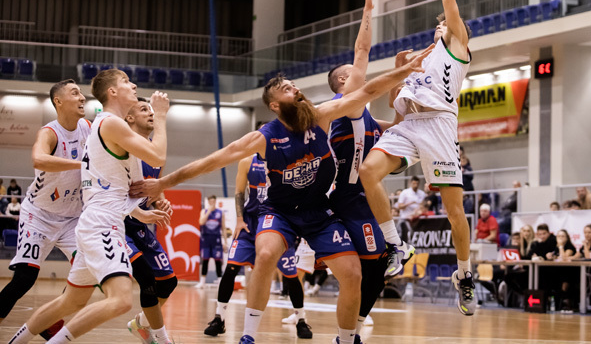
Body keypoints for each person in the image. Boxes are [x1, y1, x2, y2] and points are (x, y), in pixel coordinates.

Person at [131, 50, 431, 344]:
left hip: (319, 211)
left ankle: (346, 340)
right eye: (287, 89)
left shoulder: (320, 116)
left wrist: (405, 70)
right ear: (275, 105)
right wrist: (165, 182)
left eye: (294, 86)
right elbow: (211, 162)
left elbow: (368, 90)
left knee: (353, 274)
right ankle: (248, 336)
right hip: (280, 211)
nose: (296, 89)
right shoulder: (263, 137)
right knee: (265, 255)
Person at [358, 0, 478, 317]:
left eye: (444, 21)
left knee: (454, 212)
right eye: (439, 23)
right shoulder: (419, 59)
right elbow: (396, 107)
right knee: (368, 172)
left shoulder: (457, 45)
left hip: (440, 127)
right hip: (410, 125)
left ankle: (464, 274)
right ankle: (396, 244)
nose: (440, 23)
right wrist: (398, 73)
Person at [7, 69, 171, 344]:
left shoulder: (107, 126)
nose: (133, 85)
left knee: (70, 302)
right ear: (112, 92)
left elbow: (120, 188)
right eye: (126, 82)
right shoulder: (110, 123)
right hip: (99, 225)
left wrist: (139, 212)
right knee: (120, 300)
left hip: (93, 221)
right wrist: (162, 116)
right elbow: (158, 156)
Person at [325, 0, 406, 337]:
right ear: (344, 82)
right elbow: (362, 50)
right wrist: (368, 11)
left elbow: (401, 127)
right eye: (353, 74)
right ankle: (348, 334)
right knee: (365, 271)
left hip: (364, 201)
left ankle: (352, 331)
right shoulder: (347, 107)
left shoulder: (367, 117)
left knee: (376, 272)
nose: (360, 76)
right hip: (347, 200)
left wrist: (399, 81)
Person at [0, 80, 90, 336]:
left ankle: (50, 318)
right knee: (24, 278)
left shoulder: (87, 127)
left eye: (81, 93)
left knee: (88, 271)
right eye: (75, 93)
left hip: (72, 218)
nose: (82, 97)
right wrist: (81, 165)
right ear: (58, 101)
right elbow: (39, 159)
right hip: (39, 215)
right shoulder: (49, 133)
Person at [204, 154, 313, 339]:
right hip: (250, 225)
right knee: (231, 268)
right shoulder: (247, 162)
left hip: (276, 224)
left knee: (291, 276)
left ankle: (301, 319)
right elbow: (239, 192)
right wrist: (239, 219)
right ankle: (219, 318)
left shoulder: (287, 160)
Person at [123, 98, 178, 344]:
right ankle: (161, 339)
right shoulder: (125, 146)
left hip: (140, 225)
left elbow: (156, 186)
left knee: (168, 281)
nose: (151, 113)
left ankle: (141, 323)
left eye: (152, 109)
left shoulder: (154, 149)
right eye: (144, 109)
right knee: (146, 276)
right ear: (129, 118)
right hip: (118, 223)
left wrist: (160, 201)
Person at [198, 195, 227, 287]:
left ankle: (220, 281)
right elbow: (201, 222)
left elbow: (223, 228)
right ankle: (202, 282)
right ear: (208, 202)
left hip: (216, 239)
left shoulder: (220, 212)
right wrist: (209, 211)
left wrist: (225, 242)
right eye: (210, 202)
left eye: (213, 201)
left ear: (215, 202)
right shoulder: (204, 211)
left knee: (218, 261)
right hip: (206, 239)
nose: (212, 203)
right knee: (205, 260)